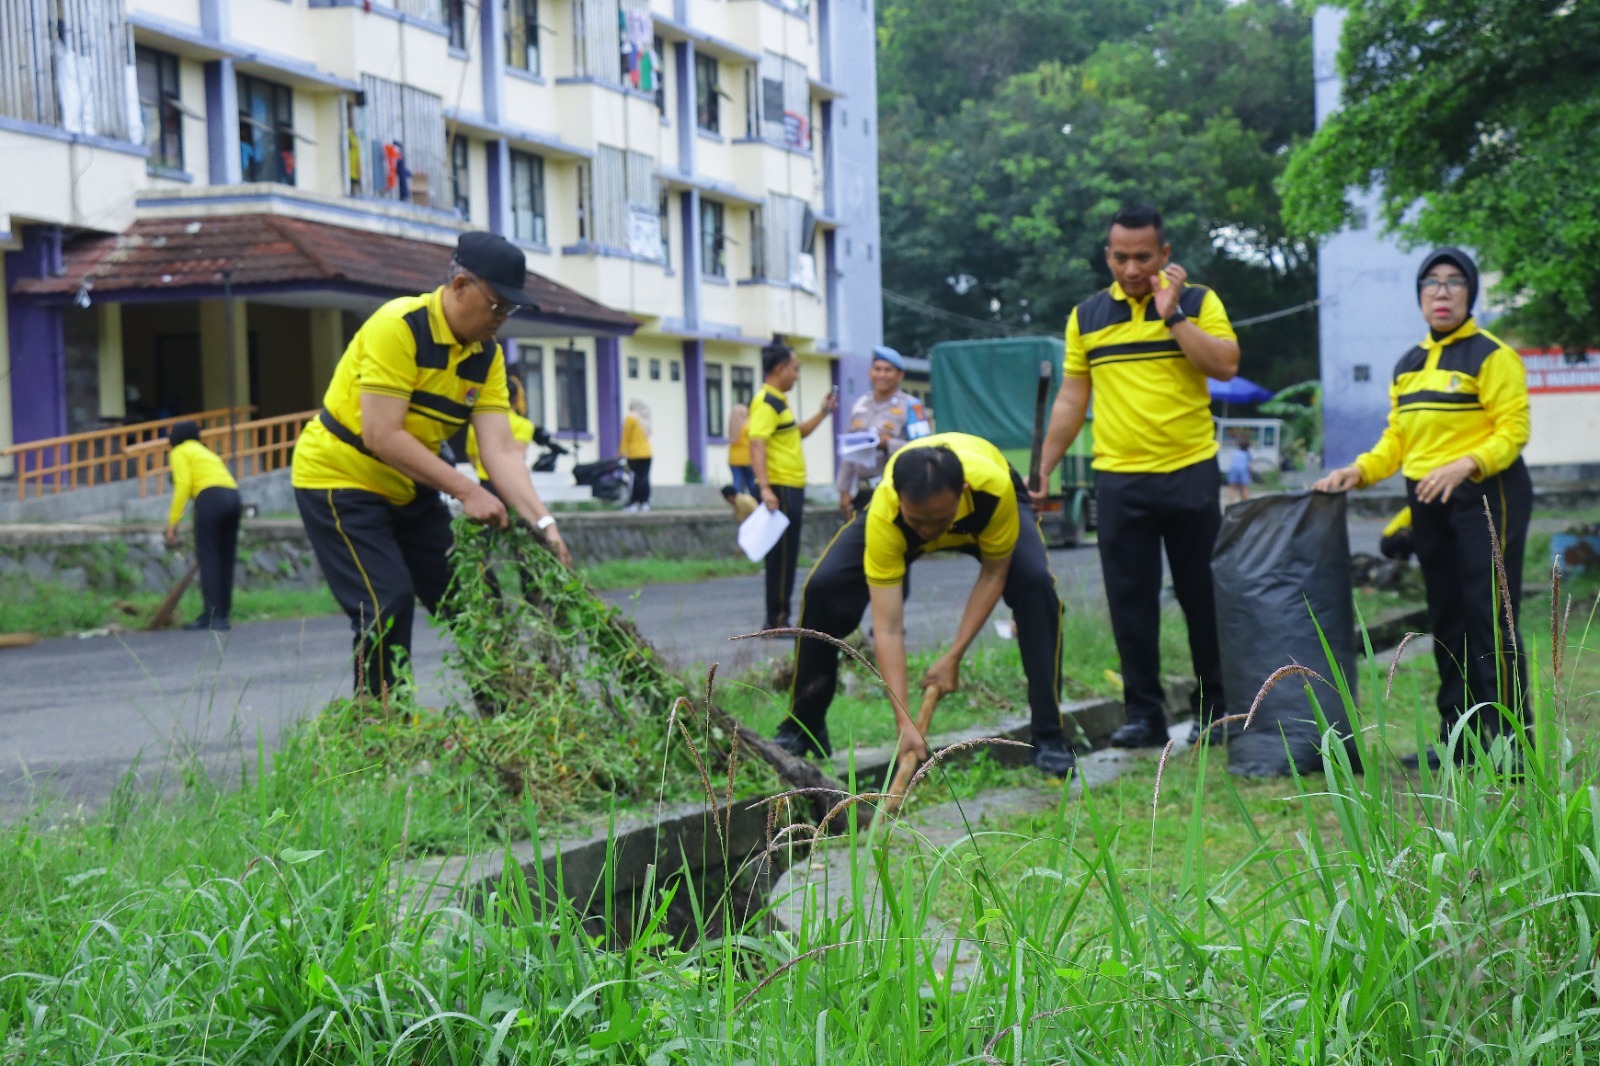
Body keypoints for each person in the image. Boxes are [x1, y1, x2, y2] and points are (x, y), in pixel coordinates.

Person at [291, 230, 571, 700]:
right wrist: (466, 490)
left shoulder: (487, 357)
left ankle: (513, 727)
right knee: (386, 603)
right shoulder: (399, 326)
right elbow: (382, 435)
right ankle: (381, 729)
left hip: (410, 486)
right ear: (460, 286)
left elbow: (501, 451)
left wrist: (543, 522)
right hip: (339, 478)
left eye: (510, 310)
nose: (500, 319)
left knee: (475, 600)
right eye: (496, 305)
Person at [1313, 247, 1531, 770]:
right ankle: (1457, 737)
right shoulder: (1409, 363)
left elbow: (1513, 431)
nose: (1442, 291)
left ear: (1470, 293)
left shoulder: (1492, 355)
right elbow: (1397, 438)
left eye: (1455, 282)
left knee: (1489, 617)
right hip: (1428, 502)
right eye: (1431, 283)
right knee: (1447, 619)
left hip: (1485, 493)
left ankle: (1509, 745)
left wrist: (1467, 464)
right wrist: (1358, 471)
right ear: (1419, 296)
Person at [1035, 203, 1240, 748]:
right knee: (1130, 601)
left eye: (1143, 257)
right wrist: (1043, 469)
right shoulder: (1087, 316)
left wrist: (1173, 315)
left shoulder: (1199, 302)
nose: (1131, 269)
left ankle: (1215, 710)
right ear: (1108, 256)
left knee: (1203, 596)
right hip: (1121, 479)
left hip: (1190, 471)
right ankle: (1143, 715)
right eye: (1120, 258)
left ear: (1165, 254)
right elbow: (1072, 399)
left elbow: (1224, 364)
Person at [774, 433, 1075, 776]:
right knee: (824, 587)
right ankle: (804, 727)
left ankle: (1050, 735)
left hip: (988, 497)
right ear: (901, 500)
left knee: (1036, 585)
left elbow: (994, 575)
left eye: (940, 520)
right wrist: (905, 721)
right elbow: (888, 627)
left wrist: (953, 656)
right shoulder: (886, 512)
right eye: (919, 523)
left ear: (961, 493)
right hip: (909, 508)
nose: (930, 532)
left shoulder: (993, 490)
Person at [748, 339, 837, 630]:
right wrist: (765, 488)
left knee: (787, 556)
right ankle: (776, 622)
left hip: (790, 486)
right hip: (780, 487)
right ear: (780, 368)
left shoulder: (779, 401)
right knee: (781, 559)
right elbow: (756, 443)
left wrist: (823, 412)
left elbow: (795, 434)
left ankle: (780, 618)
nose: (797, 375)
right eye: (795, 369)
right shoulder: (765, 402)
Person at [163, 420, 242, 631]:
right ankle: (222, 615)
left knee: (209, 558)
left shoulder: (179, 451)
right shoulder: (205, 452)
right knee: (225, 559)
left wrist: (172, 524)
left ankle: (212, 616)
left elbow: (183, 485)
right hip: (234, 497)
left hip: (210, 499)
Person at [835, 345, 923, 515]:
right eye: (877, 369)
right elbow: (848, 452)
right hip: (864, 492)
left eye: (888, 370)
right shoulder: (860, 405)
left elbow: (922, 449)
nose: (882, 375)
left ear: (900, 375)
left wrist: (888, 444)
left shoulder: (912, 406)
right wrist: (843, 490)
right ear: (870, 372)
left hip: (896, 490)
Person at [464, 374, 567, 492]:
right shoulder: (524, 425)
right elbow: (517, 457)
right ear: (517, 398)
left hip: (485, 483)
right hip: (510, 484)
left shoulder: (479, 424)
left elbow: (472, 456)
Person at [621, 398, 653, 512]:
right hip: (647, 453)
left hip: (634, 453)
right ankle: (645, 502)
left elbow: (626, 437)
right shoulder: (645, 418)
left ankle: (634, 502)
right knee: (644, 478)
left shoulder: (631, 418)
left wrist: (621, 452)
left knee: (634, 478)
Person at [727, 402, 755, 496]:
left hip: (734, 459)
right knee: (751, 482)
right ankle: (754, 503)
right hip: (748, 458)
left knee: (737, 482)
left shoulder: (732, 427)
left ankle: (738, 502)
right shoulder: (749, 425)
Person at [1226, 438, 1252, 504]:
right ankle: (1245, 503)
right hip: (1243, 470)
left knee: (1232, 488)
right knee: (1244, 488)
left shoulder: (1236, 453)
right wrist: (1250, 475)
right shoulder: (1247, 454)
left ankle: (1231, 503)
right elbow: (1250, 466)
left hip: (1233, 469)